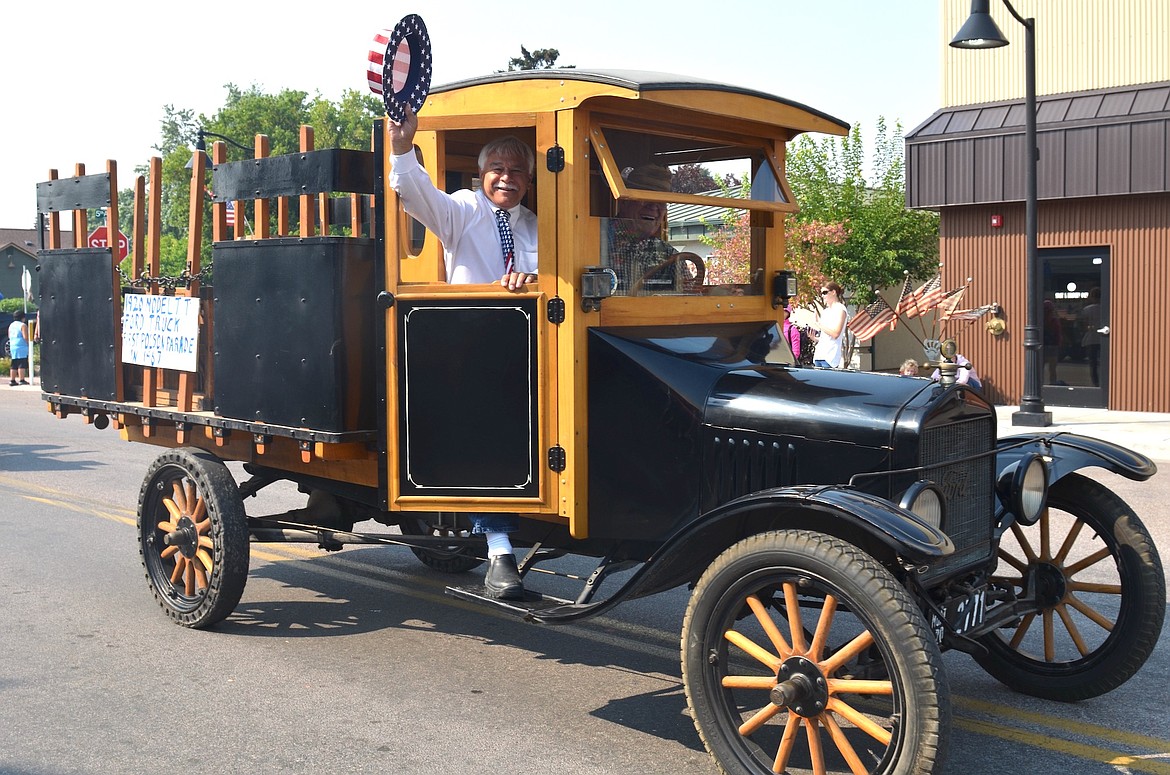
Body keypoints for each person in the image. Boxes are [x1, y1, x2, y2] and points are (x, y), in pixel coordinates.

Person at [387, 104, 534, 600]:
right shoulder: (463, 210)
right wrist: (403, 147)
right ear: (481, 174)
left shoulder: (539, 224)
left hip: (533, 351)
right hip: (472, 352)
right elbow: (413, 194)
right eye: (498, 170)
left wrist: (534, 278)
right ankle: (498, 550)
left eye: (517, 171)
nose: (506, 179)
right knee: (488, 428)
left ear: (529, 180)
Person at [605, 164, 686, 295]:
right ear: (624, 201)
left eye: (662, 201)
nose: (654, 207)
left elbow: (688, 301)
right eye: (645, 198)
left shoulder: (669, 255)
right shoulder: (596, 242)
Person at [809, 281, 848, 368]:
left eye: (825, 292)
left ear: (833, 292)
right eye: (821, 293)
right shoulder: (826, 311)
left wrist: (819, 324)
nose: (822, 296)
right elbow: (826, 337)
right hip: (819, 355)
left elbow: (835, 334)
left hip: (830, 357)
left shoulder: (840, 309)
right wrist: (815, 339)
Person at [8, 310, 30, 386]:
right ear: (22, 317)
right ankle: (21, 379)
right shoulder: (23, 325)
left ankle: (12, 380)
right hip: (21, 346)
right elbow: (25, 337)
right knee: (22, 363)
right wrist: (29, 343)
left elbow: (9, 335)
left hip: (13, 345)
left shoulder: (11, 325)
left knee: (14, 363)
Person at [1043, 299, 1062, 384]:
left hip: (1044, 346)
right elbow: (1058, 333)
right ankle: (1052, 383)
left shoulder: (1040, 320)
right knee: (1052, 369)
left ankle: (1040, 383)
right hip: (1053, 346)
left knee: (1041, 367)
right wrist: (1059, 344)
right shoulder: (1054, 321)